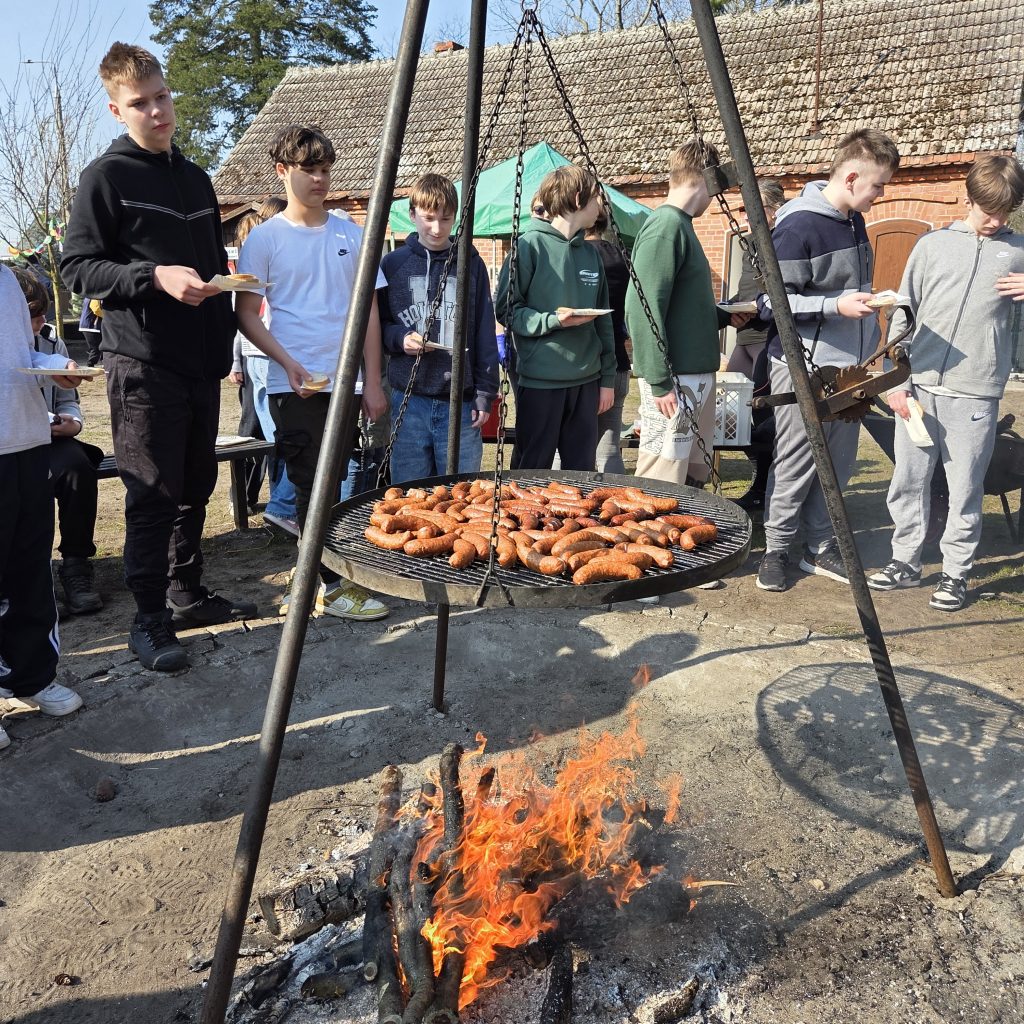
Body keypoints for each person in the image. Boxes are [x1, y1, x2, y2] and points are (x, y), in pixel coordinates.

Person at [61, 42, 256, 672]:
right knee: (152, 493)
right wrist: (153, 277)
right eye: (141, 103)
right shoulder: (106, 178)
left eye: (163, 96)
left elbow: (207, 266)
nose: (157, 111)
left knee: (196, 485)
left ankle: (185, 592)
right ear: (117, 110)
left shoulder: (196, 178)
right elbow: (77, 268)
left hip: (202, 364)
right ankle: (148, 620)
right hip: (142, 363)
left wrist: (225, 293)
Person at [236, 124, 389, 621]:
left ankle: (315, 578)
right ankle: (327, 585)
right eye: (309, 170)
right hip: (293, 381)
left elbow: (368, 312)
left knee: (337, 480)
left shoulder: (352, 233)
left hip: (346, 382)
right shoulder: (265, 239)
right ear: (283, 171)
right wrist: (286, 362)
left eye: (325, 170)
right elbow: (245, 314)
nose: (320, 179)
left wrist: (373, 381)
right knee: (309, 482)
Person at [867, 154, 1024, 611]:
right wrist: (895, 380)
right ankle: (905, 560)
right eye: (988, 210)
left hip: (975, 392)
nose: (996, 221)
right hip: (917, 388)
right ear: (967, 199)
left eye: (1005, 212)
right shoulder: (931, 246)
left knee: (965, 488)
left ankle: (955, 572)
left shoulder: (1018, 251)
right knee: (908, 480)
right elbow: (903, 312)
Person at [755, 128, 900, 593]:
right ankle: (777, 550)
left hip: (849, 372)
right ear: (852, 177)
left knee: (837, 465)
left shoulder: (853, 220)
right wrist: (834, 305)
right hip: (804, 367)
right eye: (878, 185)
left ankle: (819, 547)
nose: (881, 195)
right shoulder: (798, 226)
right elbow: (769, 303)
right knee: (797, 463)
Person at [625, 139, 750, 486]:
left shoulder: (682, 225)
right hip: (675, 381)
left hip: (694, 378)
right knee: (661, 480)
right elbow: (642, 309)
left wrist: (723, 317)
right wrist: (660, 381)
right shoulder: (665, 227)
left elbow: (681, 305)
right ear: (707, 178)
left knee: (692, 477)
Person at [0, 264, 85, 751]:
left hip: (28, 443)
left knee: (30, 569)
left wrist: (52, 364)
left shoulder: (9, 282)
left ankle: (31, 676)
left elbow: (18, 354)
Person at [495, 165, 616, 471]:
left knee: (581, 475)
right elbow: (507, 310)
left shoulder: (591, 254)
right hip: (540, 382)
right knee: (530, 472)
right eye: (597, 197)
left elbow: (604, 322)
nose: (601, 205)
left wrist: (607, 380)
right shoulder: (528, 247)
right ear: (577, 198)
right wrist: (552, 321)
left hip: (587, 382)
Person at [379, 173, 498, 482]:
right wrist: (400, 338)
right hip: (409, 398)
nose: (436, 228)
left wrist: (485, 393)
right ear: (412, 215)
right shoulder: (393, 264)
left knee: (462, 489)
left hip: (460, 400)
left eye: (446, 219)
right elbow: (379, 325)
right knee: (409, 490)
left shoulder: (471, 263)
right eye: (429, 218)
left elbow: (485, 331)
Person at [15, 269, 104, 614]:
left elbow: (68, 400)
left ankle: (76, 565)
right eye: (32, 316)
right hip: (12, 442)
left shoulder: (53, 341)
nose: (40, 323)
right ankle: (33, 579)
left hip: (50, 438)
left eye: (43, 314)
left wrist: (73, 423)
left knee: (76, 468)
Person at [585, 210, 631, 475]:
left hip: (584, 364)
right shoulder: (622, 256)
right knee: (609, 446)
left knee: (566, 450)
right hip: (618, 360)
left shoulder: (576, 256)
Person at [726, 179, 785, 378]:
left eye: (752, 207)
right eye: (743, 209)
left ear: (775, 210)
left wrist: (756, 305)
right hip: (743, 338)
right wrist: (729, 310)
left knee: (763, 397)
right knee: (732, 395)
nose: (745, 216)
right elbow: (747, 290)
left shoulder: (781, 242)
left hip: (766, 338)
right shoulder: (749, 244)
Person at [78, 298, 103, 367]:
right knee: (96, 348)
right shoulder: (95, 296)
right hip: (91, 326)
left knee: (97, 347)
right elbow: (96, 309)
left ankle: (103, 363)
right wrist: (106, 317)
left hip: (88, 325)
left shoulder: (88, 296)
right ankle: (90, 365)